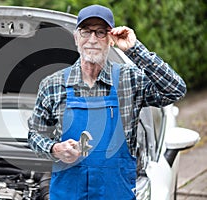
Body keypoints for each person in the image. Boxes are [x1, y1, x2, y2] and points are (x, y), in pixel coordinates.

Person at [27, 4, 186, 200]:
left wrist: (135, 50)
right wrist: (54, 149)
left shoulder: (129, 80)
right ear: (76, 38)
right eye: (86, 32)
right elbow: (35, 135)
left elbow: (175, 89)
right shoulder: (53, 84)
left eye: (101, 32)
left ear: (111, 39)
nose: (92, 39)